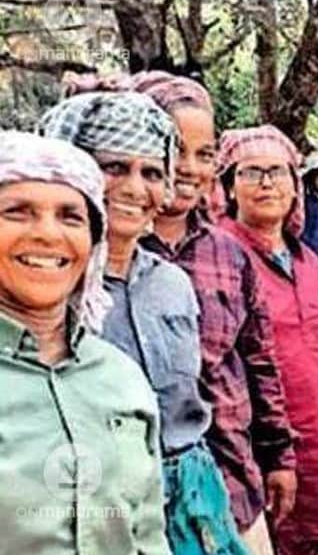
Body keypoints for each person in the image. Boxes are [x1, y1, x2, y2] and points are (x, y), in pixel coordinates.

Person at [39, 92, 248, 555]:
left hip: (193, 498)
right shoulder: (43, 294)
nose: (136, 188)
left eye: (152, 172)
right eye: (114, 168)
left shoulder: (172, 283)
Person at [110, 71, 295, 554]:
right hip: (136, 504)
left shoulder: (229, 254)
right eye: (175, 148)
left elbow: (258, 361)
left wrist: (278, 457)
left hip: (233, 486)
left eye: (205, 153)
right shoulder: (99, 257)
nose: (189, 168)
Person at [0, 131, 169, 554]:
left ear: (94, 241)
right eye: (17, 212)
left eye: (70, 216)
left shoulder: (121, 378)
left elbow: (147, 534)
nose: (46, 234)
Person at [217, 125, 318, 555]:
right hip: (253, 457)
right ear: (230, 187)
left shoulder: (309, 262)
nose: (267, 183)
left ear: (296, 186)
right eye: (251, 172)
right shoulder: (218, 257)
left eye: (278, 172)